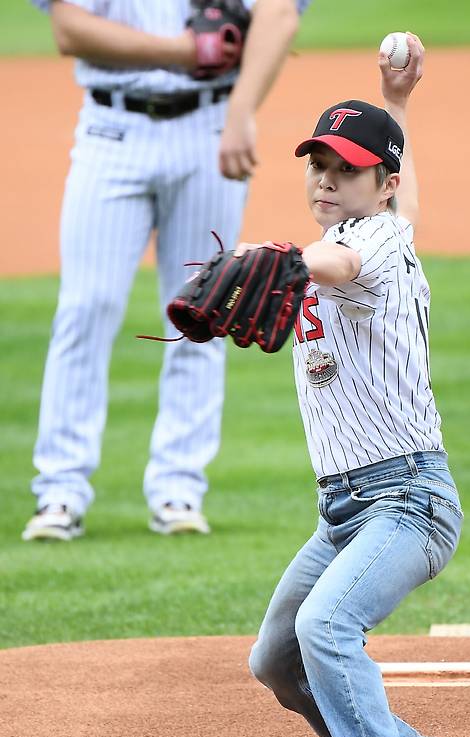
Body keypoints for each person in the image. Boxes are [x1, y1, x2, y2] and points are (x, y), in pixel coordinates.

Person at [245, 35, 463, 737]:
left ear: (383, 183)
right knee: (276, 659)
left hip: (408, 498)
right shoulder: (362, 228)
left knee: (325, 628)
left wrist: (279, 259)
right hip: (342, 508)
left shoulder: (374, 246)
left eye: (347, 167)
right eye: (318, 164)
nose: (326, 180)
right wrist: (394, 100)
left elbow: (341, 254)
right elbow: (358, 208)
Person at [22, 0, 309, 541]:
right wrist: (185, 50)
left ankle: (179, 487)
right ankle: (59, 490)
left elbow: (279, 14)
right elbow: (69, 27)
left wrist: (241, 114)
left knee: (204, 307)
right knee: (86, 306)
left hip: (210, 126)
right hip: (112, 130)